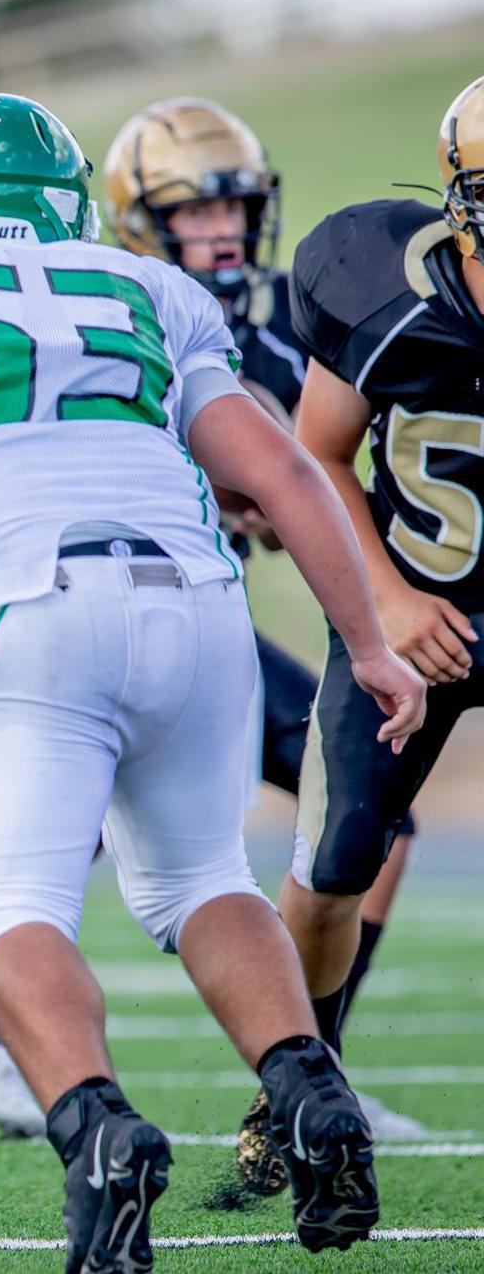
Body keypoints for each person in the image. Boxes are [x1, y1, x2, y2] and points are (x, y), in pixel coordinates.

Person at [0, 92, 424, 1269]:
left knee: (10, 912)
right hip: (197, 605)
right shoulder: (146, 288)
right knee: (209, 879)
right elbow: (280, 466)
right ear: (71, 203)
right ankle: (310, 1089)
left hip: (23, 601)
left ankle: (96, 1126)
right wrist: (366, 642)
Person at [0, 96, 427, 1149]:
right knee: (61, 819)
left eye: (240, 208)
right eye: (198, 212)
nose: (227, 233)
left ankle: (308, 1062)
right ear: (131, 222)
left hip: (191, 614)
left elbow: (307, 474)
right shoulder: (115, 303)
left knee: (368, 814)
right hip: (72, 588)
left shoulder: (279, 336)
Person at [230, 73, 484, 1189]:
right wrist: (382, 596)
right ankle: (299, 1082)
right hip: (414, 610)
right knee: (333, 863)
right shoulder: (389, 292)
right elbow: (316, 452)